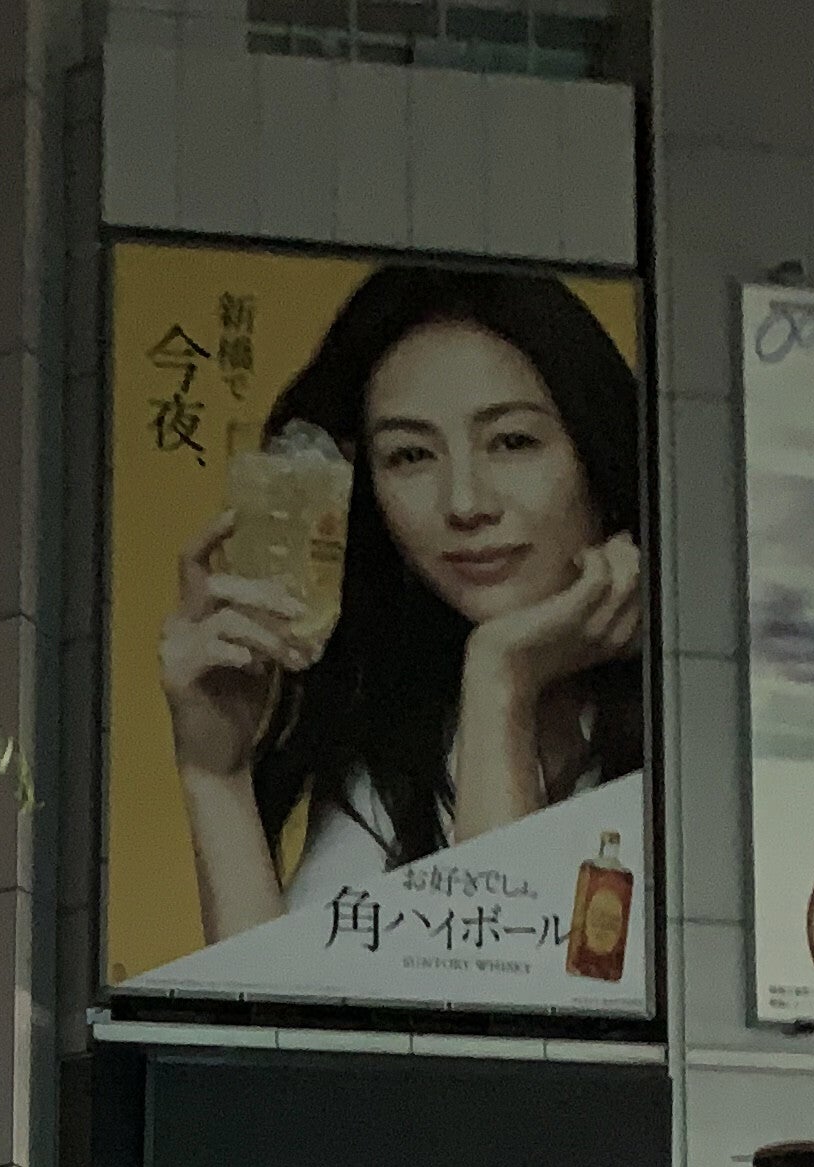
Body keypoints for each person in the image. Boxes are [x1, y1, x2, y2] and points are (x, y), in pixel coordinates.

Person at [160, 267, 644, 948]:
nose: (465, 503)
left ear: (598, 451)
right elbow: (276, 1008)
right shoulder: (392, 737)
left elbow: (507, 988)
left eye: (512, 442)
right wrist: (216, 776)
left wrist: (502, 679)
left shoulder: (696, 731)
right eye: (411, 454)